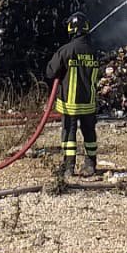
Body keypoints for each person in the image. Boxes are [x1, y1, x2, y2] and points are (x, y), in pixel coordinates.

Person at [45, 13, 100, 177]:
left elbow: (50, 72)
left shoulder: (66, 50)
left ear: (71, 28)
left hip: (70, 103)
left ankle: (69, 167)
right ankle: (91, 163)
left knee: (69, 133)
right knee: (89, 133)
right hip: (89, 103)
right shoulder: (93, 51)